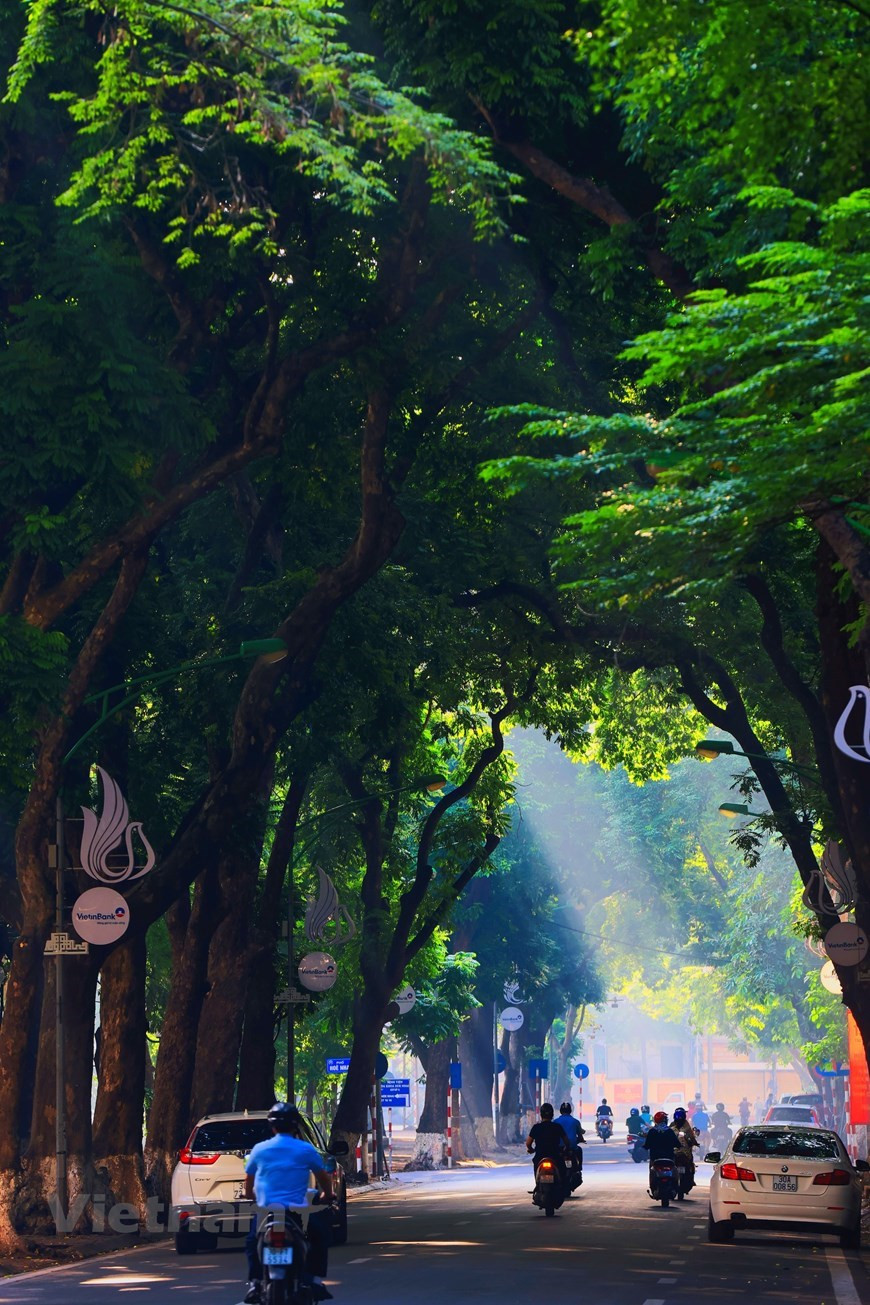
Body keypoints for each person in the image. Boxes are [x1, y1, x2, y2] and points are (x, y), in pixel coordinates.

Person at [243, 1102, 335, 1305]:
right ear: (296, 1126)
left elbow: (249, 1180)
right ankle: (315, 1281)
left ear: (272, 1126)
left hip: (266, 1211)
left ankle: (255, 1283)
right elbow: (323, 1177)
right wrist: (328, 1195)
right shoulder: (305, 1149)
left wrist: (249, 1195)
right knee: (319, 1237)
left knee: (251, 1241)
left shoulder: (259, 1149)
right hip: (296, 1213)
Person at [526, 1102, 570, 1188]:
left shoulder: (536, 1127)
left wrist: (531, 1149)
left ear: (541, 1115)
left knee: (536, 1164)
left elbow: (528, 1143)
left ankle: (537, 1184)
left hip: (540, 1155)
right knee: (562, 1168)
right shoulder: (557, 1127)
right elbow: (566, 1142)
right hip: (555, 1155)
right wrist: (566, 1149)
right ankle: (562, 1186)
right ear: (552, 1115)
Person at [556, 1101, 585, 1188]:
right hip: (572, 1148)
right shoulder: (575, 1121)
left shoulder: (555, 1121)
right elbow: (580, 1135)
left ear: (560, 1111)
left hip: (559, 1148)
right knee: (579, 1150)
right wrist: (580, 1139)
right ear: (570, 1110)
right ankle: (579, 1167)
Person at [670, 1106, 699, 1188]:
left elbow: (691, 1137)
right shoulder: (685, 1125)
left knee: (690, 1163)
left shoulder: (685, 1125)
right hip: (679, 1152)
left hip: (678, 1151)